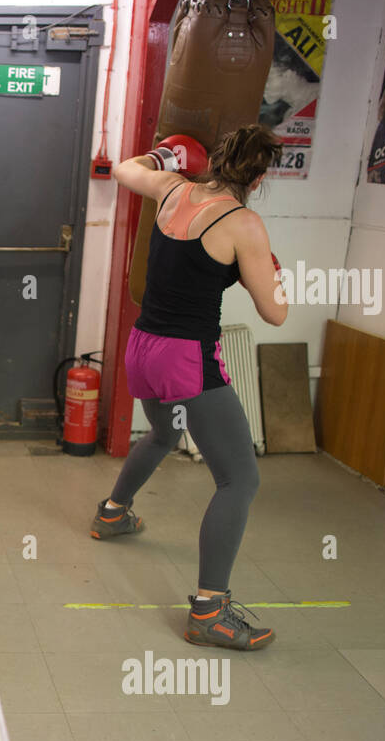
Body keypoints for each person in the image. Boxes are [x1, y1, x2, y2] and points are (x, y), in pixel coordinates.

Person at [95, 125, 287, 651]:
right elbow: (274, 313)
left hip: (143, 345)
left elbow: (124, 168)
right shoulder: (244, 223)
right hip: (186, 359)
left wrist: (163, 153)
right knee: (239, 481)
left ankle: (113, 513)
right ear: (260, 176)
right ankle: (209, 612)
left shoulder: (172, 187)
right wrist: (270, 273)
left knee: (160, 434)